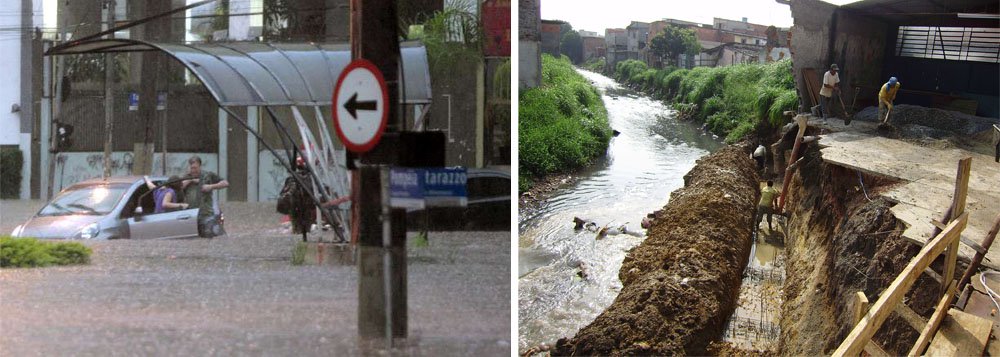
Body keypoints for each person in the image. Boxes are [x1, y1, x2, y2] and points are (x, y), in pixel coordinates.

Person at [182, 156, 228, 237]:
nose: (193, 170)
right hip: (192, 216)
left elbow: (225, 183)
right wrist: (190, 180)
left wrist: (211, 186)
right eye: (191, 168)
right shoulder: (186, 177)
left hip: (207, 215)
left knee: (211, 237)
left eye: (195, 168)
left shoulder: (208, 175)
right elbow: (178, 188)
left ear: (200, 166)